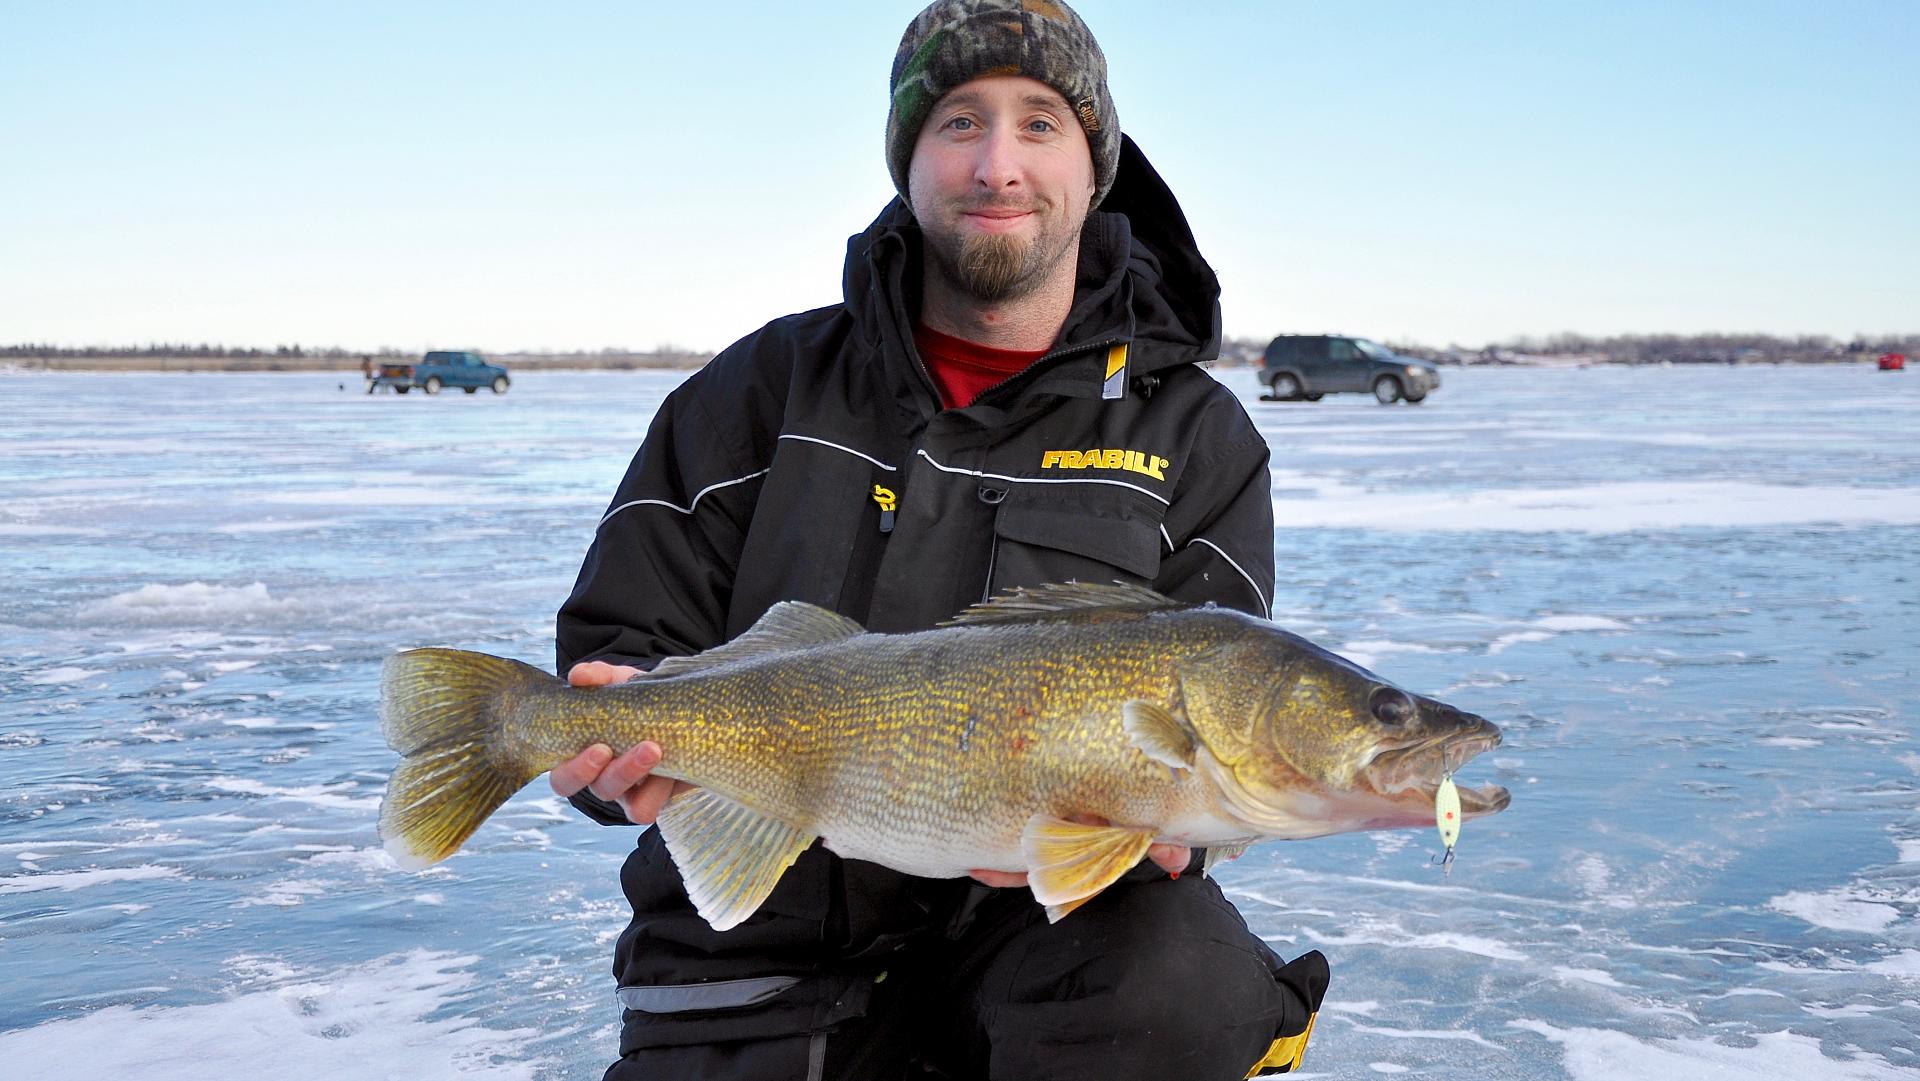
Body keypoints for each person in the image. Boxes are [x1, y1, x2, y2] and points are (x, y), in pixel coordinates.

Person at [550, 2, 1328, 1077]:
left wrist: (1178, 833)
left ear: (1095, 164)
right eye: (959, 122)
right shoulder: (759, 389)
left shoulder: (1196, 437)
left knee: (1181, 986)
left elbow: (1227, 723)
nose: (998, 166)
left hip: (1048, 971)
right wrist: (607, 750)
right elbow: (627, 650)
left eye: (1041, 124)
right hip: (751, 964)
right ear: (907, 159)